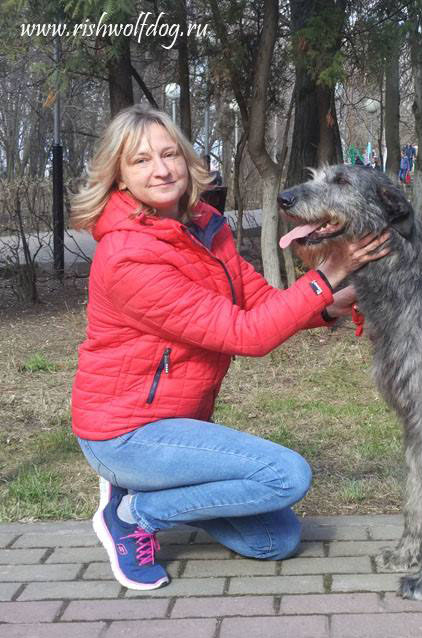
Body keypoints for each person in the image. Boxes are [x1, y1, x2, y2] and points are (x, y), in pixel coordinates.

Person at [68, 104, 390, 591]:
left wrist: (330, 305)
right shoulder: (128, 257)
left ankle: (156, 492)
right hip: (126, 434)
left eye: (170, 153)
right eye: (141, 161)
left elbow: (262, 303)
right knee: (286, 476)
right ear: (119, 178)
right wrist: (330, 272)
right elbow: (248, 335)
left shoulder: (204, 225)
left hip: (179, 425)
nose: (161, 168)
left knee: (275, 540)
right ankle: (133, 512)